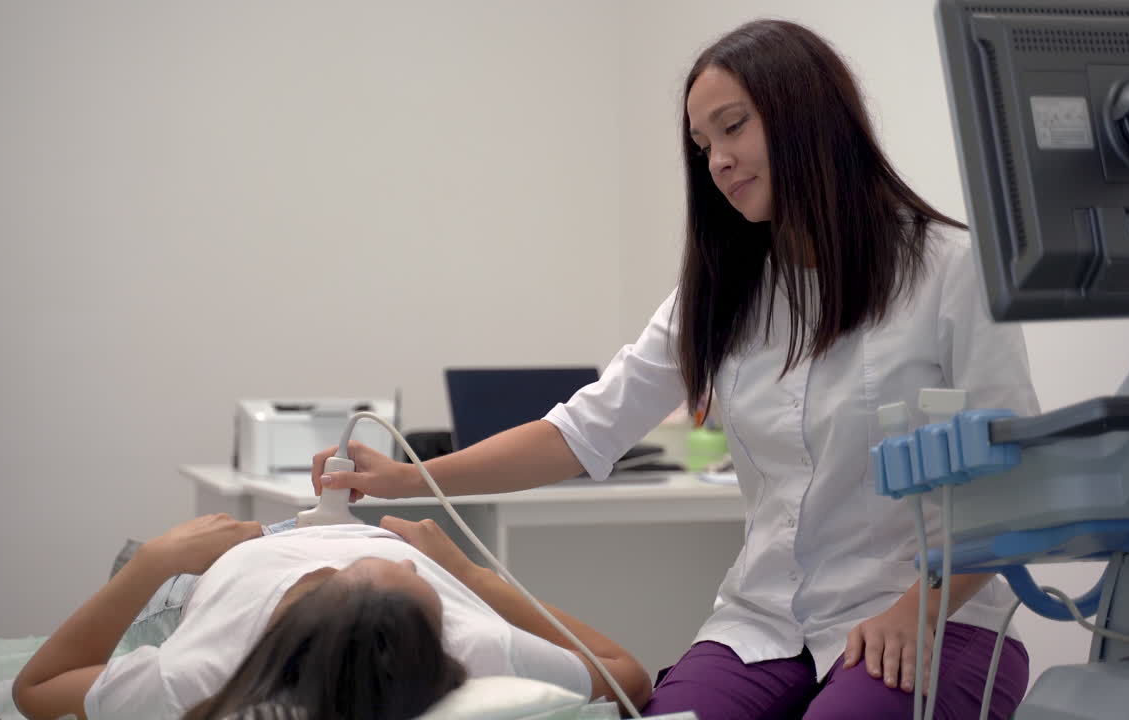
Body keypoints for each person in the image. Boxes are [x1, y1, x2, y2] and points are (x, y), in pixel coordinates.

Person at [312, 19, 1036, 720]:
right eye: (701, 143)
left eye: (733, 126)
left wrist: (915, 608)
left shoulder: (950, 271)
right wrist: (409, 479)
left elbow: (1015, 490)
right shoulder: (720, 294)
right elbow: (580, 433)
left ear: (808, 115)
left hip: (935, 614)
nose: (716, 159)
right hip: (765, 624)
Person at [11, 513, 651, 720]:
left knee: (143, 580)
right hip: (255, 552)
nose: (406, 565)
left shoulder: (199, 673)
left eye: (403, 569)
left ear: (314, 610)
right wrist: (468, 573)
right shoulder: (478, 642)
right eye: (413, 574)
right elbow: (629, 676)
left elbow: (34, 690)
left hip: (215, 574)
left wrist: (153, 561)